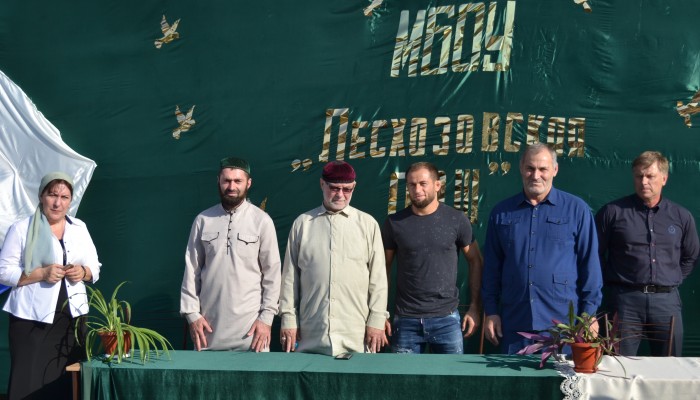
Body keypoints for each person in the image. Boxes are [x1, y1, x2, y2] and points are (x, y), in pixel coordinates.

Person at [482, 143, 602, 354]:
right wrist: (491, 311)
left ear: (555, 170)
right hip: (515, 325)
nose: (536, 175)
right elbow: (492, 267)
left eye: (543, 169)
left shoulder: (577, 210)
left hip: (563, 326)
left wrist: (589, 314)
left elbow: (589, 265)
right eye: (530, 168)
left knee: (562, 376)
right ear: (521, 168)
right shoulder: (501, 213)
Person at [0, 172, 101, 400]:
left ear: (70, 200)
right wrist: (41, 274)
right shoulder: (22, 228)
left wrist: (83, 271)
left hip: (72, 318)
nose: (57, 203)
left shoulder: (79, 227)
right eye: (52, 195)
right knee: (28, 380)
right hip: (31, 319)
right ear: (41, 196)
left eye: (64, 197)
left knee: (68, 380)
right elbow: (3, 271)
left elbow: (95, 267)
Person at [279, 160, 389, 355]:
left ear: (354, 187)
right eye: (334, 188)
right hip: (311, 334)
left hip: (356, 333)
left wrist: (377, 320)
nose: (340, 195)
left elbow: (378, 279)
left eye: (347, 189)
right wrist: (288, 319)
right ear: (322, 184)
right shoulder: (303, 224)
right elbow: (290, 278)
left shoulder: (367, 224)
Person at [595, 151, 699, 356]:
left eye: (650, 176)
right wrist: (615, 281)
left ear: (664, 179)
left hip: (666, 302)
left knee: (670, 366)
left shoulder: (681, 216)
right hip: (624, 301)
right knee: (618, 365)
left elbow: (691, 256)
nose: (644, 182)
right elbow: (595, 254)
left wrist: (671, 278)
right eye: (639, 176)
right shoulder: (612, 212)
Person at [180, 157, 281, 352]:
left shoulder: (262, 221)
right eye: (226, 181)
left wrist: (266, 319)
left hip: (252, 333)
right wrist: (192, 315)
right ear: (218, 181)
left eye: (238, 181)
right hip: (207, 331)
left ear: (248, 183)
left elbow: (272, 274)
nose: (231, 187)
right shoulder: (203, 220)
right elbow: (191, 270)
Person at [382, 161, 483, 354]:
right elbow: (382, 268)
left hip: (447, 320)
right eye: (412, 184)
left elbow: (475, 261)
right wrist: (381, 313)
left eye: (423, 183)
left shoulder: (457, 219)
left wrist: (474, 308)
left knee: (450, 374)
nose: (417, 190)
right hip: (405, 320)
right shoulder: (394, 223)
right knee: (402, 375)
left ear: (437, 185)